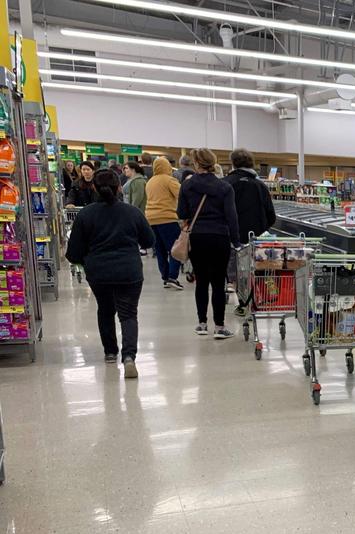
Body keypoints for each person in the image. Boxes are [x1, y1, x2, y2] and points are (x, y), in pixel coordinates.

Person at [65, 169, 155, 380]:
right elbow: (149, 241)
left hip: (99, 272)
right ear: (118, 187)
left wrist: (86, 259)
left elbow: (73, 253)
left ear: (94, 187)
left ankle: (110, 352)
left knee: (105, 311)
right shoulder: (132, 212)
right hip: (129, 270)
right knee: (128, 313)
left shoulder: (85, 214)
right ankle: (129, 357)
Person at [177, 147, 241, 339]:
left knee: (201, 281)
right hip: (219, 237)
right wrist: (236, 242)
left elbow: (181, 213)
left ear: (196, 163)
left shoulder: (187, 186)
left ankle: (202, 324)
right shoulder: (224, 187)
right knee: (218, 281)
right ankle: (220, 327)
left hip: (197, 237)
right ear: (213, 163)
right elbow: (232, 217)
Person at [224, 148, 276, 316]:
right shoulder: (260, 185)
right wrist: (262, 229)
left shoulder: (226, 183)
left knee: (238, 273)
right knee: (257, 270)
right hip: (257, 239)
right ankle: (258, 300)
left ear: (233, 163)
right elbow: (271, 215)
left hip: (233, 238)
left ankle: (242, 302)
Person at [145, 156, 184, 290]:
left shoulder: (150, 182)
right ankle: (173, 277)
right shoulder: (169, 180)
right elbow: (182, 194)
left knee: (160, 251)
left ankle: (166, 277)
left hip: (151, 219)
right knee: (175, 249)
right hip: (167, 218)